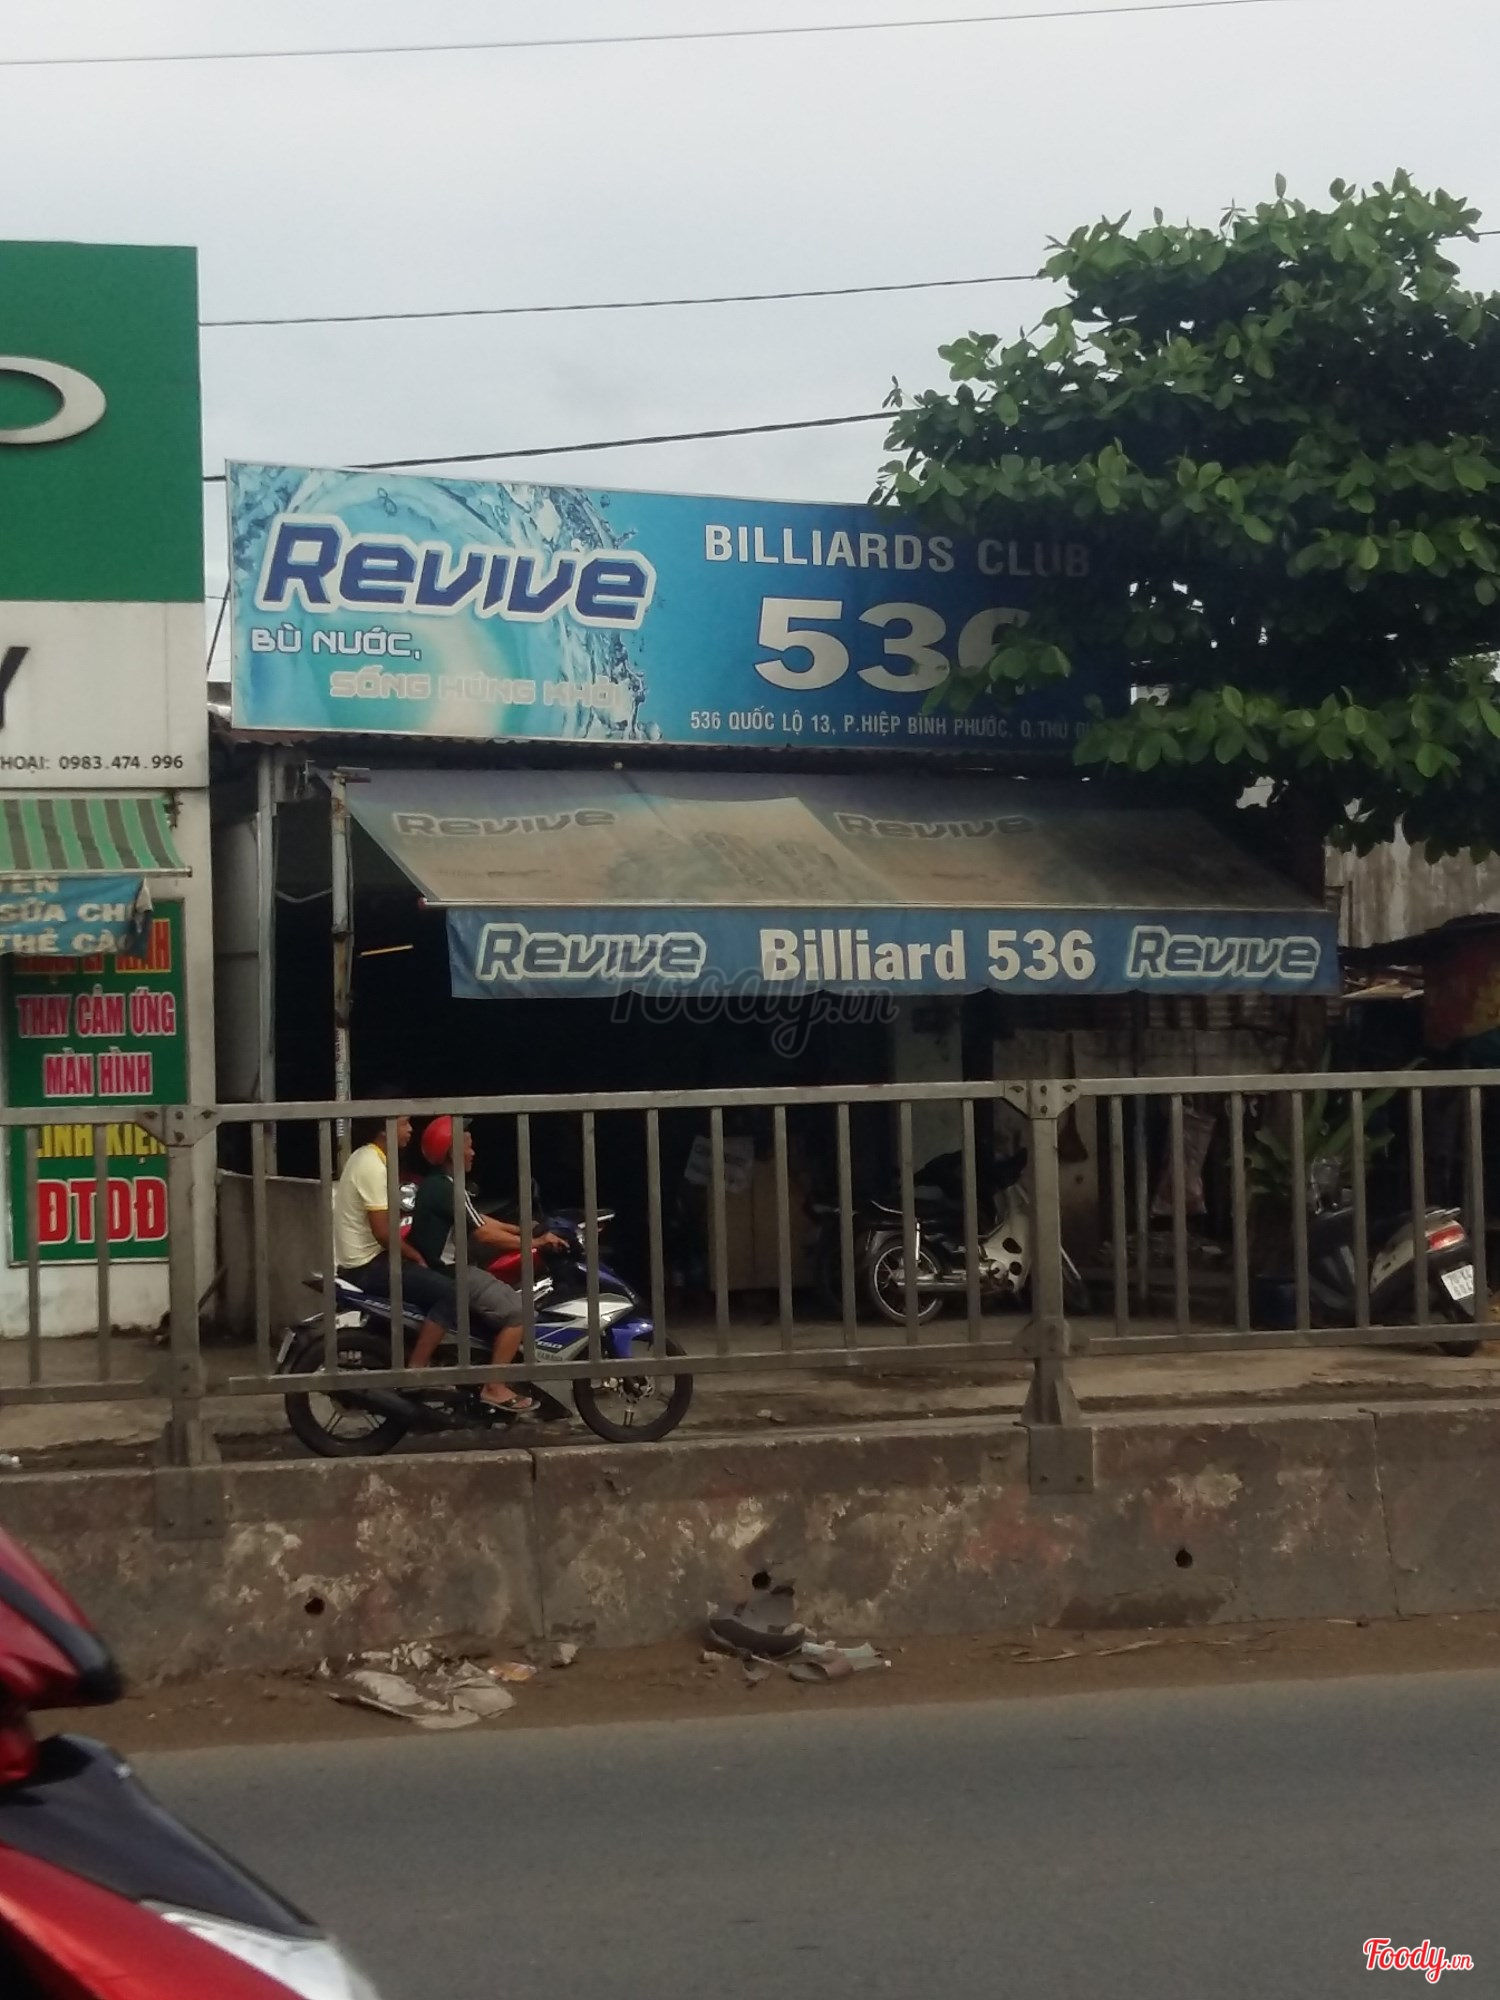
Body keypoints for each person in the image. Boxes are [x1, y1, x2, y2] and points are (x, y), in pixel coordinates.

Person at [411, 1116, 567, 1413]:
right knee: (520, 1313)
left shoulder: (442, 1184)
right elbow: (483, 1234)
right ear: (451, 1151)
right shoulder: (446, 1189)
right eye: (468, 1146)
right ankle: (494, 1386)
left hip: (445, 1269)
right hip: (451, 1273)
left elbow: (479, 1220)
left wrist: (523, 1230)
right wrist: (535, 1242)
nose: (473, 1152)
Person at [331, 1115, 462, 1375]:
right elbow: (383, 1233)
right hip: (367, 1266)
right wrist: (415, 1256)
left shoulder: (366, 1157)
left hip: (366, 1261)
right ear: (384, 1129)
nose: (410, 1130)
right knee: (452, 1294)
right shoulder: (372, 1165)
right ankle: (416, 1370)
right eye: (404, 1123)